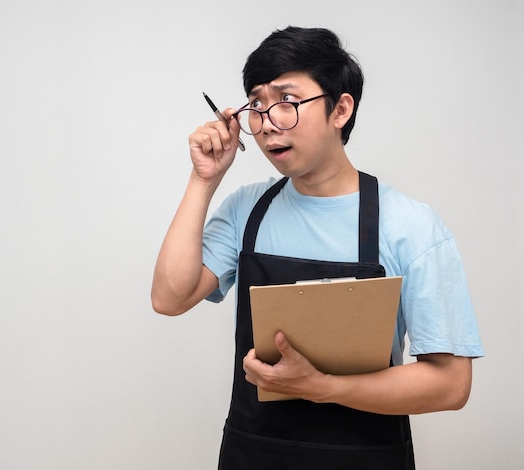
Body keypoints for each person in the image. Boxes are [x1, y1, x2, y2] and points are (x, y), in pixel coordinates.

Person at [151, 26, 484, 469]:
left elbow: (451, 384)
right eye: (257, 103)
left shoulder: (410, 225)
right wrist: (204, 179)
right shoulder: (247, 210)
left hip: (365, 458)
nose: (267, 122)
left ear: (340, 109)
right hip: (253, 453)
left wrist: (322, 386)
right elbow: (169, 298)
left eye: (286, 102)